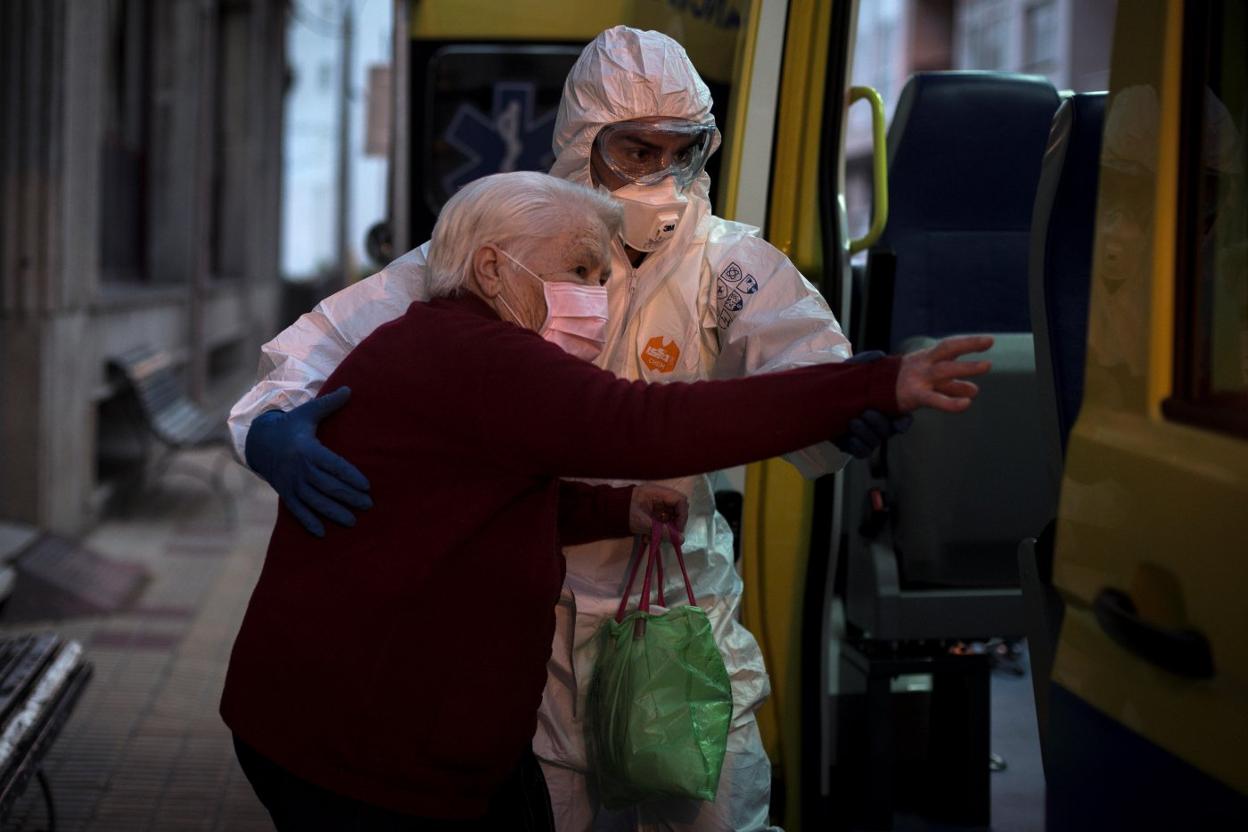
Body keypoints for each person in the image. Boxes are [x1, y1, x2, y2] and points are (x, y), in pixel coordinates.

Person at [228, 27, 909, 830]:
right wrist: (271, 431)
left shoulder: (727, 267)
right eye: (635, 150)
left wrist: (842, 401)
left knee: (711, 808)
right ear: (583, 141)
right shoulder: (504, 245)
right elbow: (309, 357)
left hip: (676, 604)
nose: (661, 177)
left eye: (680, 151)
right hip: (537, 620)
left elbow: (801, 365)